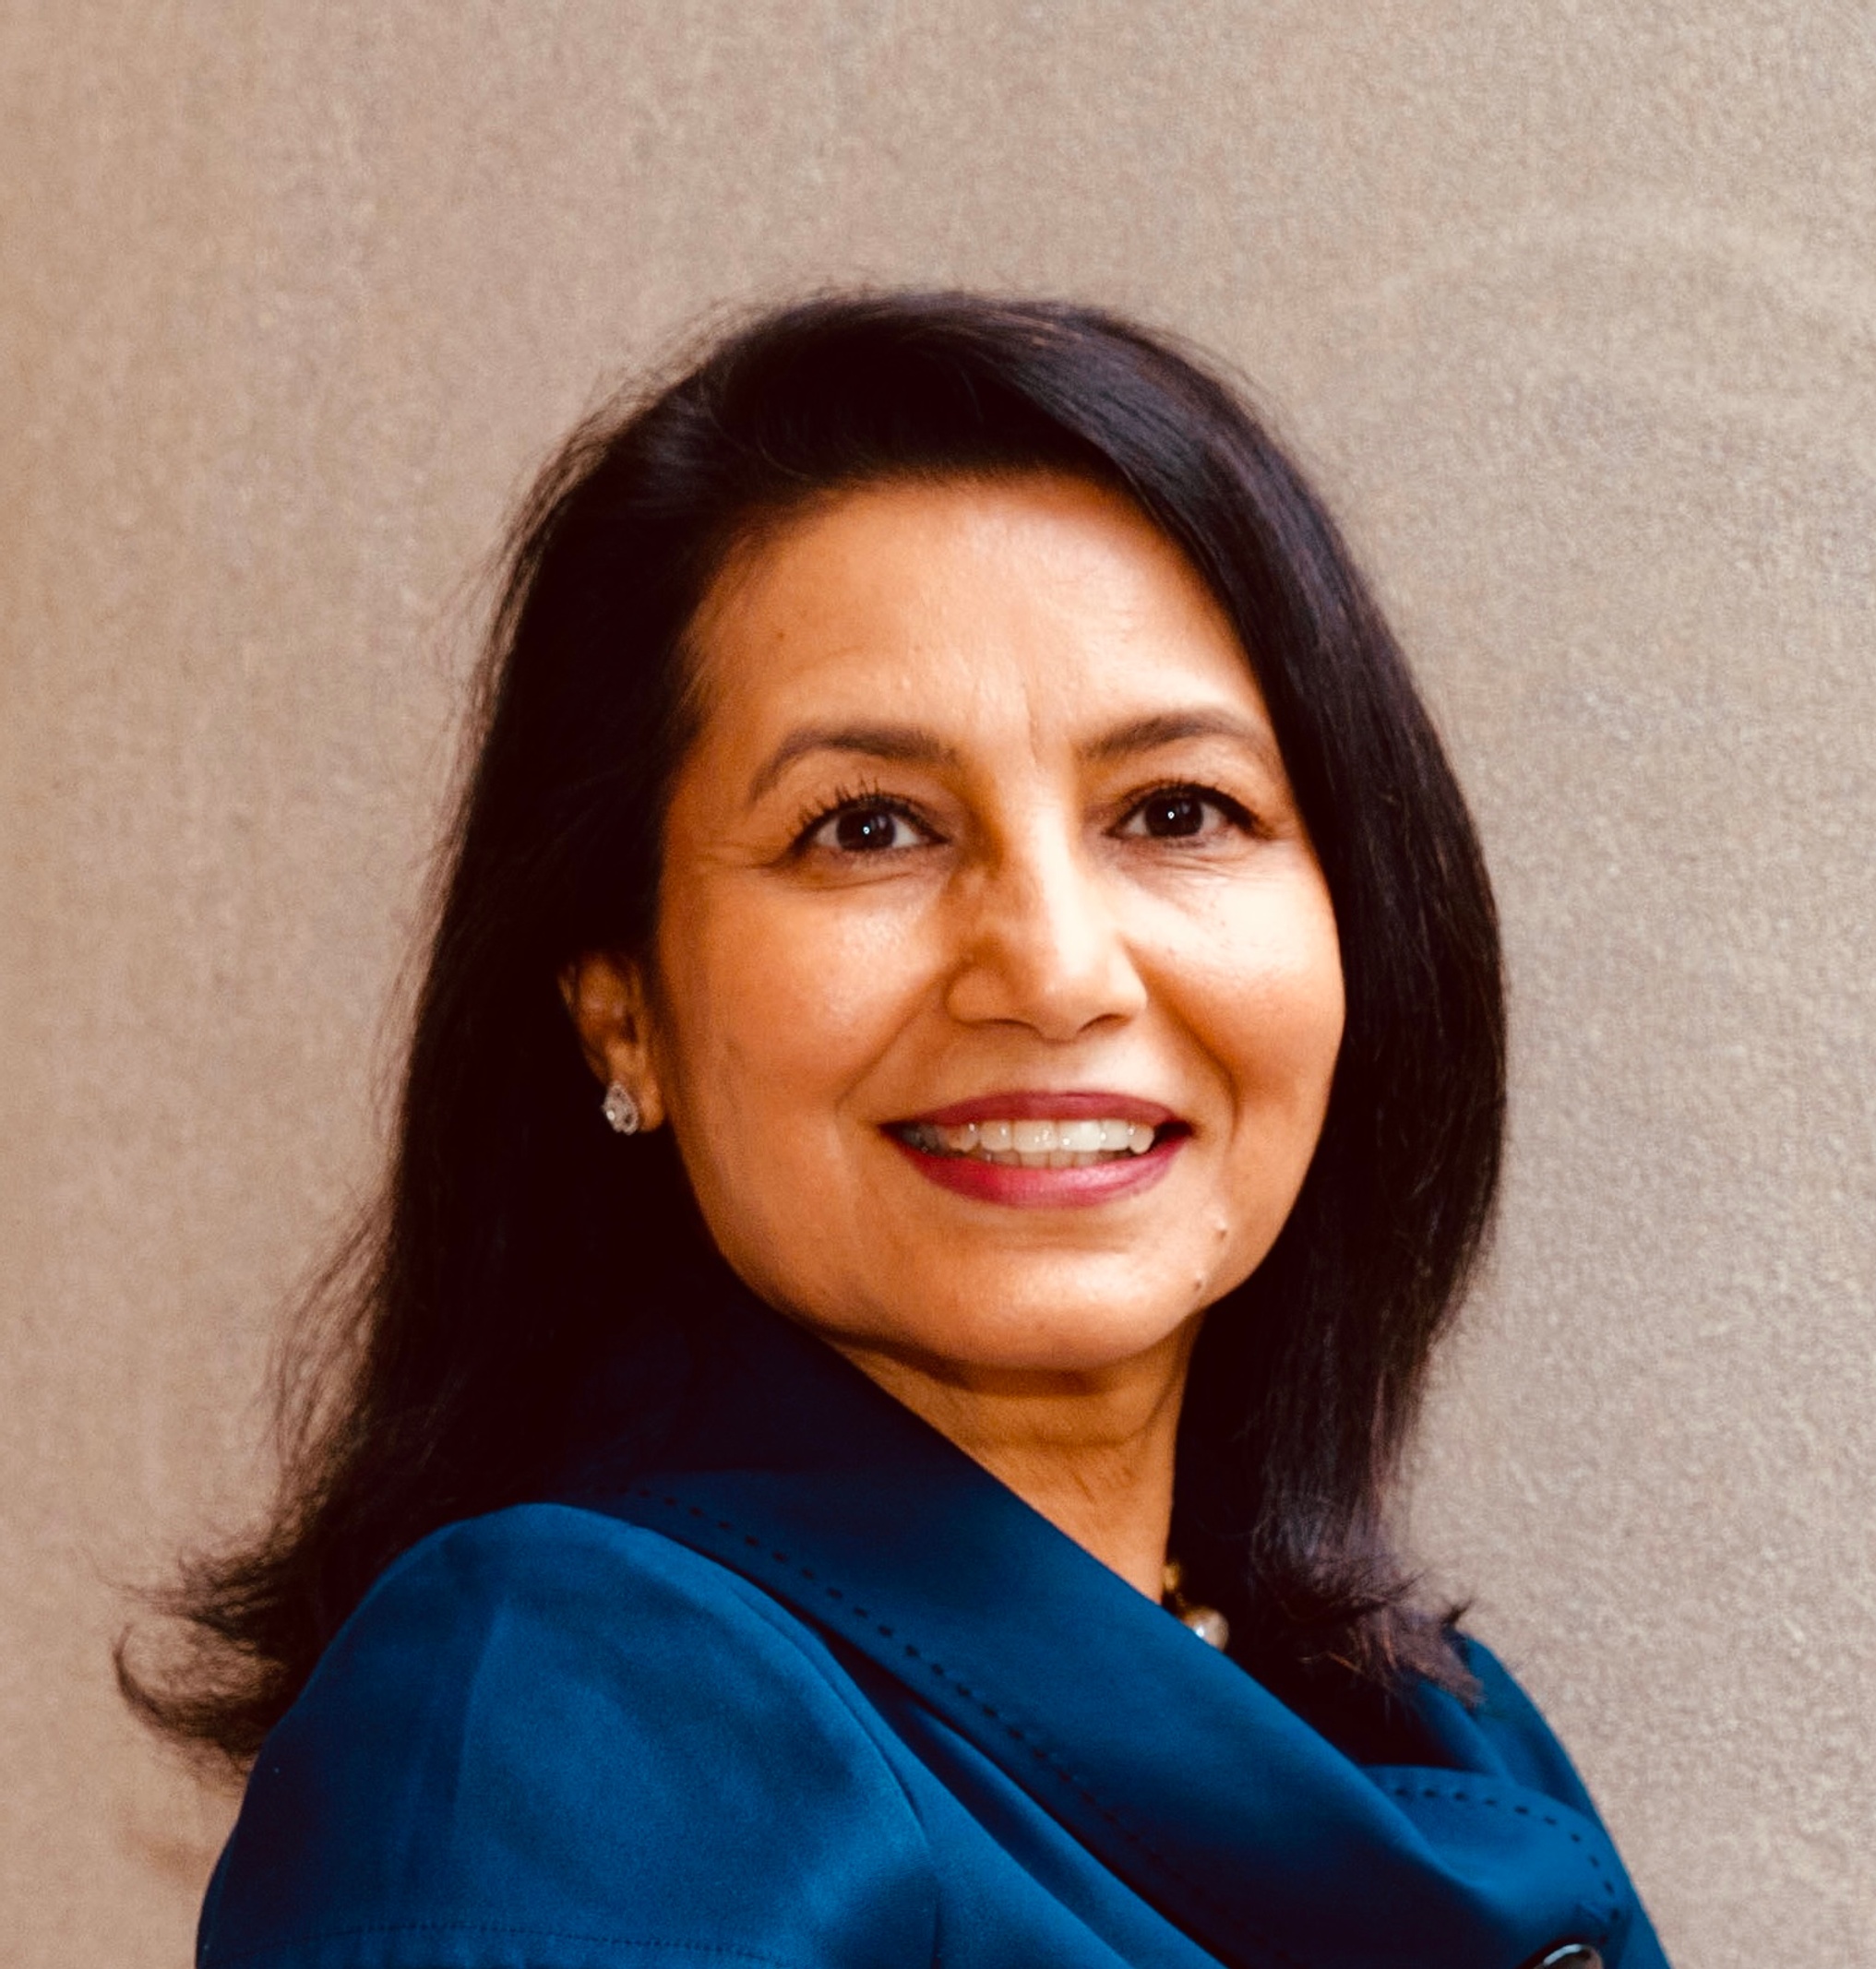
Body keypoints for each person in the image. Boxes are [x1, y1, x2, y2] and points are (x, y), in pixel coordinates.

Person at [127, 293, 1668, 1969]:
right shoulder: (561, 1718)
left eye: (1177, 810)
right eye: (868, 827)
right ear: (619, 999)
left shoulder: (1440, 1725)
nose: (1057, 971)